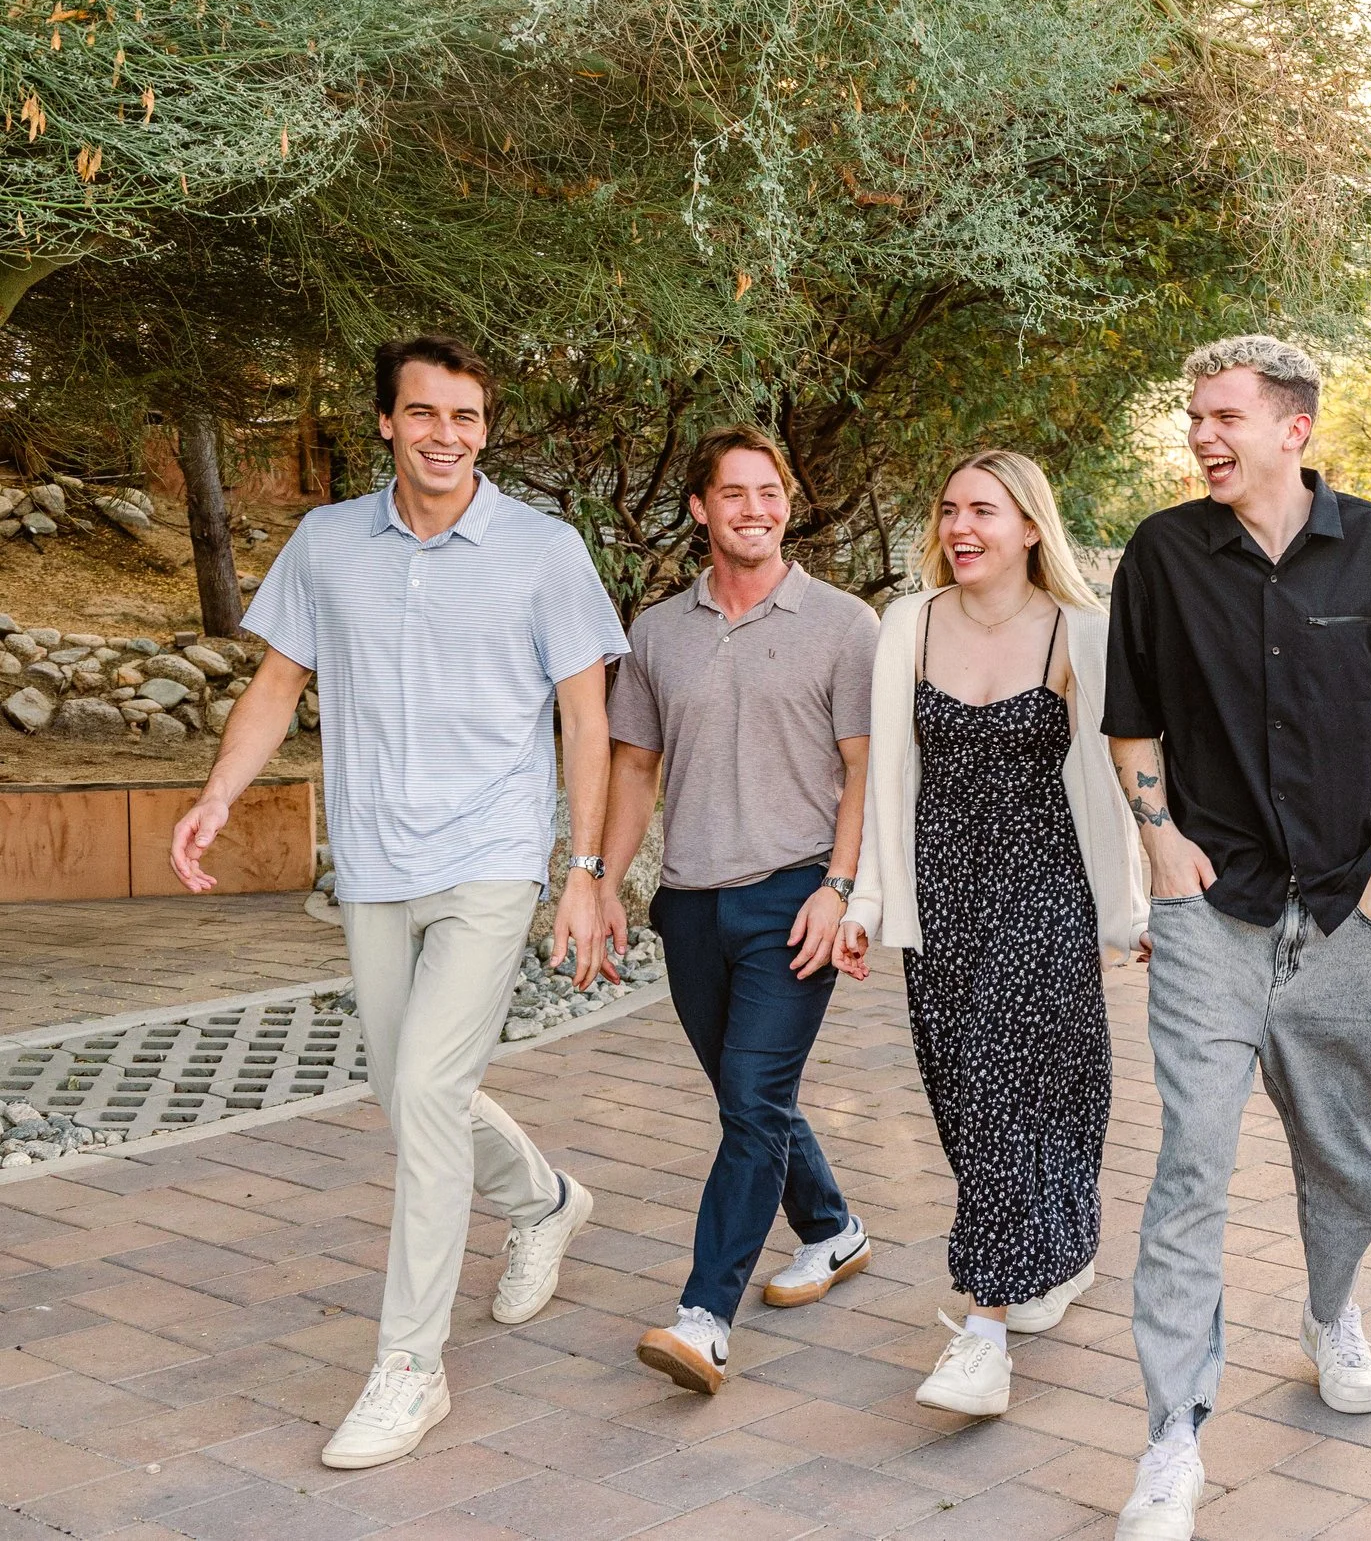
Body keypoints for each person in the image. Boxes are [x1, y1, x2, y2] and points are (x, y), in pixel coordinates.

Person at [169, 335, 627, 1470]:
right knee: (409, 1088)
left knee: (424, 1084)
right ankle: (547, 1197)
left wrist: (584, 870)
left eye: (466, 417)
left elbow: (584, 717)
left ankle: (409, 1365)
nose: (445, 435)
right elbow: (278, 684)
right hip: (373, 862)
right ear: (385, 421)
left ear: (485, 426)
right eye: (424, 414)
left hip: (490, 857)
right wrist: (217, 796)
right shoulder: (328, 544)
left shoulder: (542, 549)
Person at [1102, 335, 1371, 1541]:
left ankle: (1330, 1307)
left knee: (1345, 1149)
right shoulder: (1162, 553)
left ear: (1292, 427)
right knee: (1190, 1165)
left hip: (1340, 916)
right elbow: (1132, 722)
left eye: (1223, 416)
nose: (1203, 435)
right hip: (1209, 909)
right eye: (1195, 416)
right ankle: (1170, 1436)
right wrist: (1159, 843)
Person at [834, 449, 1148, 1417]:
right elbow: (887, 776)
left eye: (984, 509)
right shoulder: (908, 624)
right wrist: (866, 901)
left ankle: (984, 1327)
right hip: (944, 901)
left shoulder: (1079, 633)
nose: (960, 525)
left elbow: (1117, 783)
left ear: (1028, 528)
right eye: (949, 508)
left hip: (1043, 893)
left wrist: (1134, 907)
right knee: (973, 1102)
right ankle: (1053, 1250)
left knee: (1021, 1088)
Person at [593, 426, 879, 1395]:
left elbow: (864, 770)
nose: (756, 509)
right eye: (736, 494)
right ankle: (834, 1226)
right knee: (747, 1097)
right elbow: (633, 764)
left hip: (795, 896)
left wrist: (841, 889)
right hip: (689, 907)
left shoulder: (844, 625)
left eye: (771, 492)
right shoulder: (659, 633)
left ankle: (703, 1314)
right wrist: (599, 879)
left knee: (752, 1101)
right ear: (700, 509)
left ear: (786, 505)